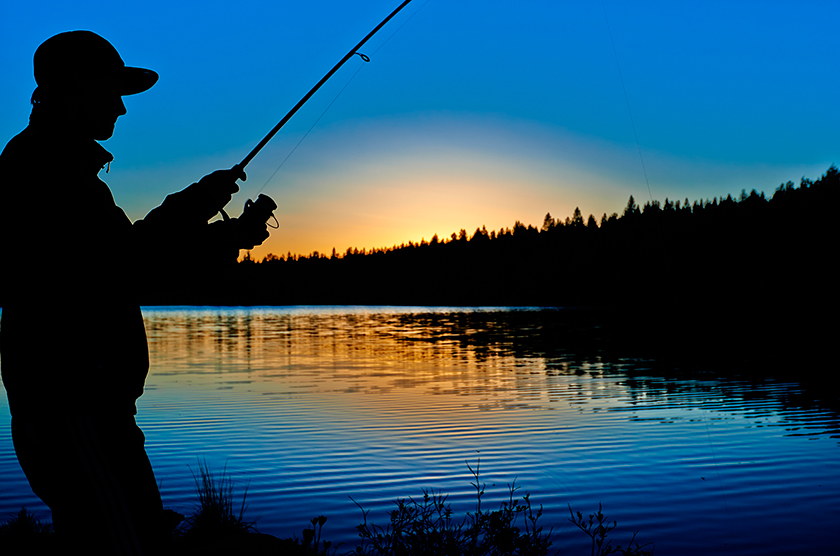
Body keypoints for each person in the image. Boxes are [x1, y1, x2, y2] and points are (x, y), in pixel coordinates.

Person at [0, 30, 270, 555]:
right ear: (78, 86)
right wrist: (201, 208)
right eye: (113, 91)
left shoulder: (62, 166)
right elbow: (127, 262)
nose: (122, 108)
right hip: (73, 409)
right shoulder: (44, 168)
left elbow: (123, 267)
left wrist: (222, 235)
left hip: (90, 410)